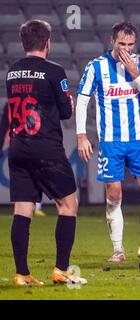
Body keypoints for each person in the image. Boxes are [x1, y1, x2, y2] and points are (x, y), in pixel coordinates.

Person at [76, 22, 140, 262]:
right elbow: (82, 101)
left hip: (138, 140)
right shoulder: (96, 67)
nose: (126, 50)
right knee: (115, 195)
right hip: (111, 142)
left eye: (130, 45)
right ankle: (118, 249)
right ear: (112, 41)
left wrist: (136, 74)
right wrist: (81, 135)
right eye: (122, 44)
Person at [6, 19, 86, 286]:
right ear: (47, 43)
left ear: (23, 43)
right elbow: (64, 112)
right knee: (68, 204)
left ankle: (22, 273)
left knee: (22, 209)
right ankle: (61, 269)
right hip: (46, 147)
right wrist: (69, 104)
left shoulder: (12, 71)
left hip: (17, 147)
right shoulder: (54, 71)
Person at [0, 105, 46, 217]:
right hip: (25, 145)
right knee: (31, 177)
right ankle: (30, 207)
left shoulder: (13, 104)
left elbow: (3, 127)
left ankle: (31, 207)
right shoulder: (26, 103)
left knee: (27, 178)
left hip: (19, 146)